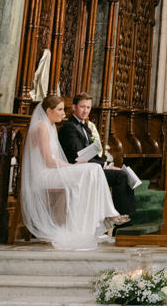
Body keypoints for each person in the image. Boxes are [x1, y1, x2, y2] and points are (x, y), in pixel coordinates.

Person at [19, 94, 125, 250]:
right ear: (49, 111)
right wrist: (71, 166)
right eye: (60, 110)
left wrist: (71, 166)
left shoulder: (51, 126)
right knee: (91, 170)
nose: (63, 113)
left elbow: (55, 158)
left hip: (53, 171)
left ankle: (98, 219)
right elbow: (48, 161)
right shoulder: (42, 127)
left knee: (95, 169)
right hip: (43, 175)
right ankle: (106, 214)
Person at [58, 93, 136, 217]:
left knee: (124, 172)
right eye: (82, 107)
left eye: (88, 107)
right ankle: (123, 217)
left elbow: (92, 155)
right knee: (120, 176)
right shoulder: (69, 128)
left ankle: (128, 216)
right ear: (74, 107)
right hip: (79, 170)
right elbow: (79, 157)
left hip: (90, 168)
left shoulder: (86, 128)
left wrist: (108, 164)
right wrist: (106, 166)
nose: (85, 111)